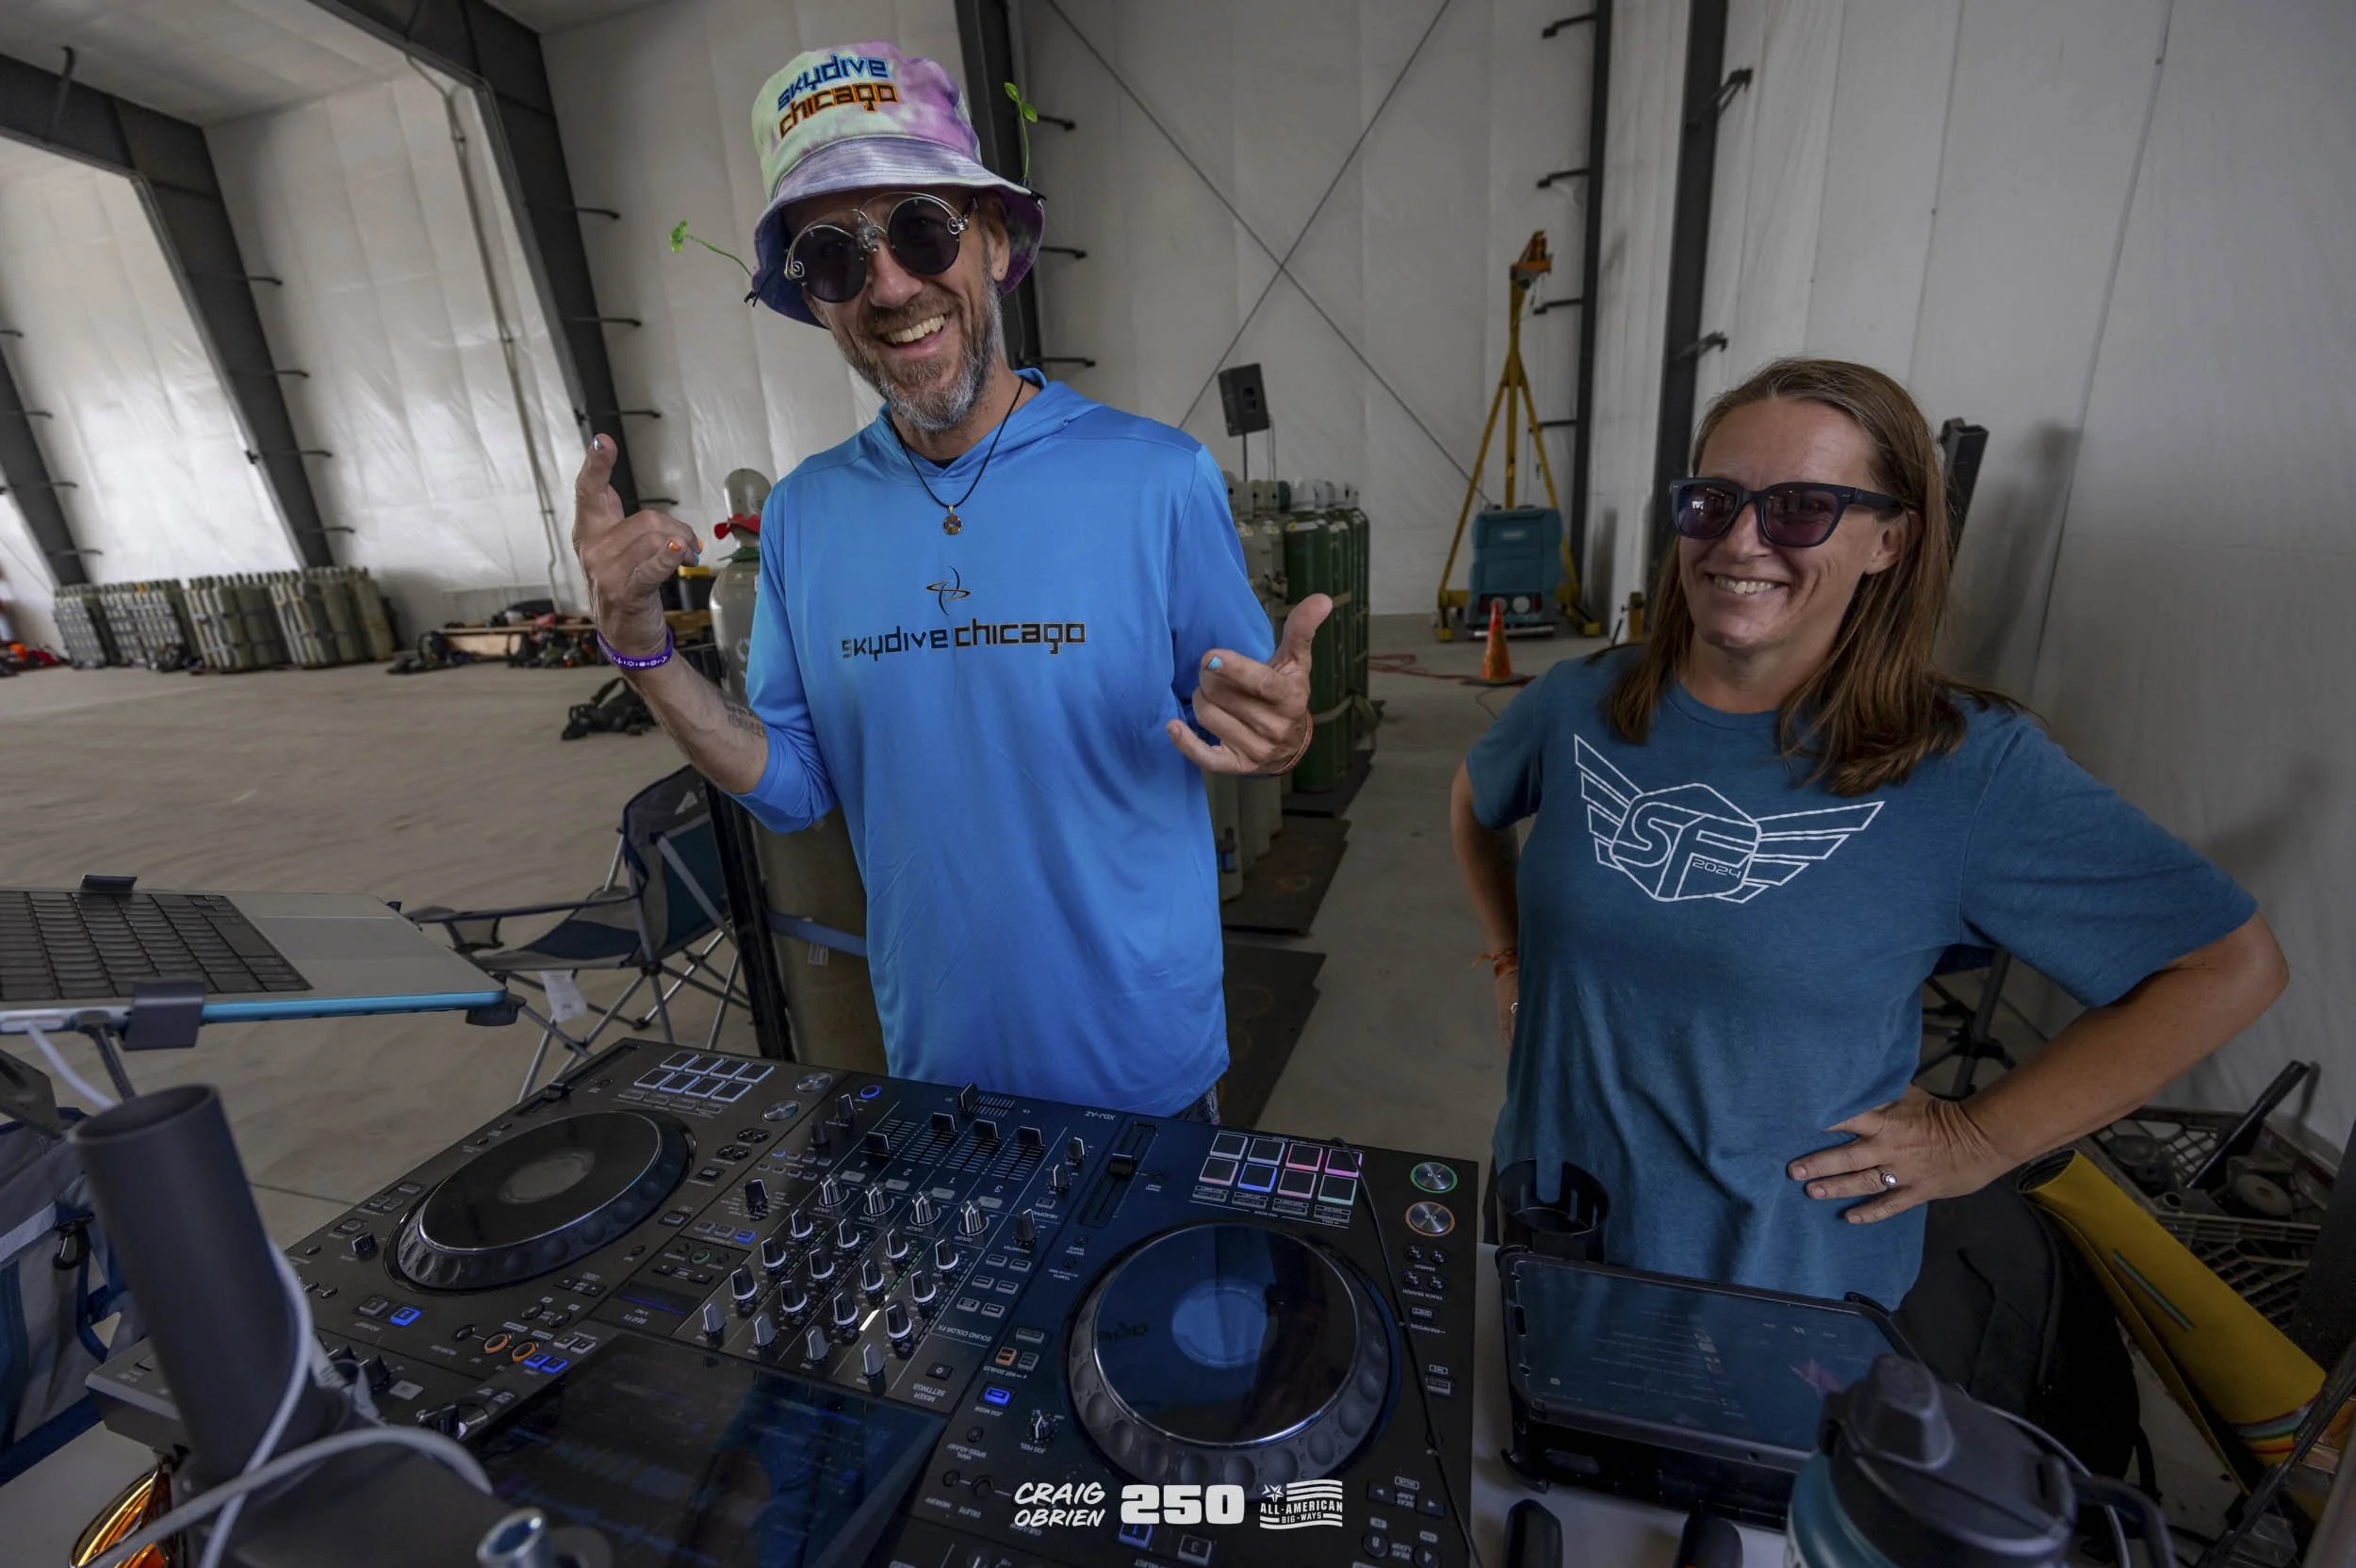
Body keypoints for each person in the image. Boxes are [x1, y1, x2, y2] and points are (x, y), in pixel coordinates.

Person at [570, 41, 1325, 1119]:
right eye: (833, 257)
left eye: (922, 228)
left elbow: (1247, 720)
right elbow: (793, 783)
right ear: (812, 298)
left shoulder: (1157, 477)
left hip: (1144, 1068)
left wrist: (1283, 735)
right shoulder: (804, 515)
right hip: (937, 1066)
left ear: (996, 239)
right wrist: (641, 649)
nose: (889, 285)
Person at [1450, 357, 2287, 1307]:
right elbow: (1474, 799)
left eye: (1801, 507)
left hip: (1767, 1289)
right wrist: (1509, 956)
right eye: (1713, 500)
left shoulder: (1965, 768)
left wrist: (1980, 1137)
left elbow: (2227, 966)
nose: (1741, 540)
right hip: (1547, 1224)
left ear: (1890, 539)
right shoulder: (1578, 702)